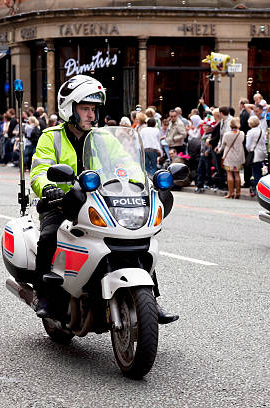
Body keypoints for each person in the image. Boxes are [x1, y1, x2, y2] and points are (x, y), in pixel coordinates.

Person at [29, 75, 178, 324]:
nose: (90, 114)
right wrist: (48, 188)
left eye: (93, 109)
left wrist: (144, 182)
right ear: (69, 109)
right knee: (48, 236)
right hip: (62, 201)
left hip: (99, 200)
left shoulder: (104, 138)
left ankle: (151, 300)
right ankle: (43, 294)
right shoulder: (50, 137)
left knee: (137, 239)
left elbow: (127, 164)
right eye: (85, 108)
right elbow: (39, 170)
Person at [216, 117, 245, 199]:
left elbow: (222, 146)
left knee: (229, 173)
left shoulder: (227, 134)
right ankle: (238, 192)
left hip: (229, 156)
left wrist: (218, 150)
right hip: (239, 155)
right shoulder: (241, 133)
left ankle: (231, 192)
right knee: (237, 173)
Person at [246, 115, 266, 197]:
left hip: (254, 153)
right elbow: (265, 141)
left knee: (255, 172)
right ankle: (262, 188)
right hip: (262, 152)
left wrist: (250, 150)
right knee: (261, 172)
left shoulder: (250, 132)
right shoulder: (262, 131)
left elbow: (248, 145)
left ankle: (257, 189)